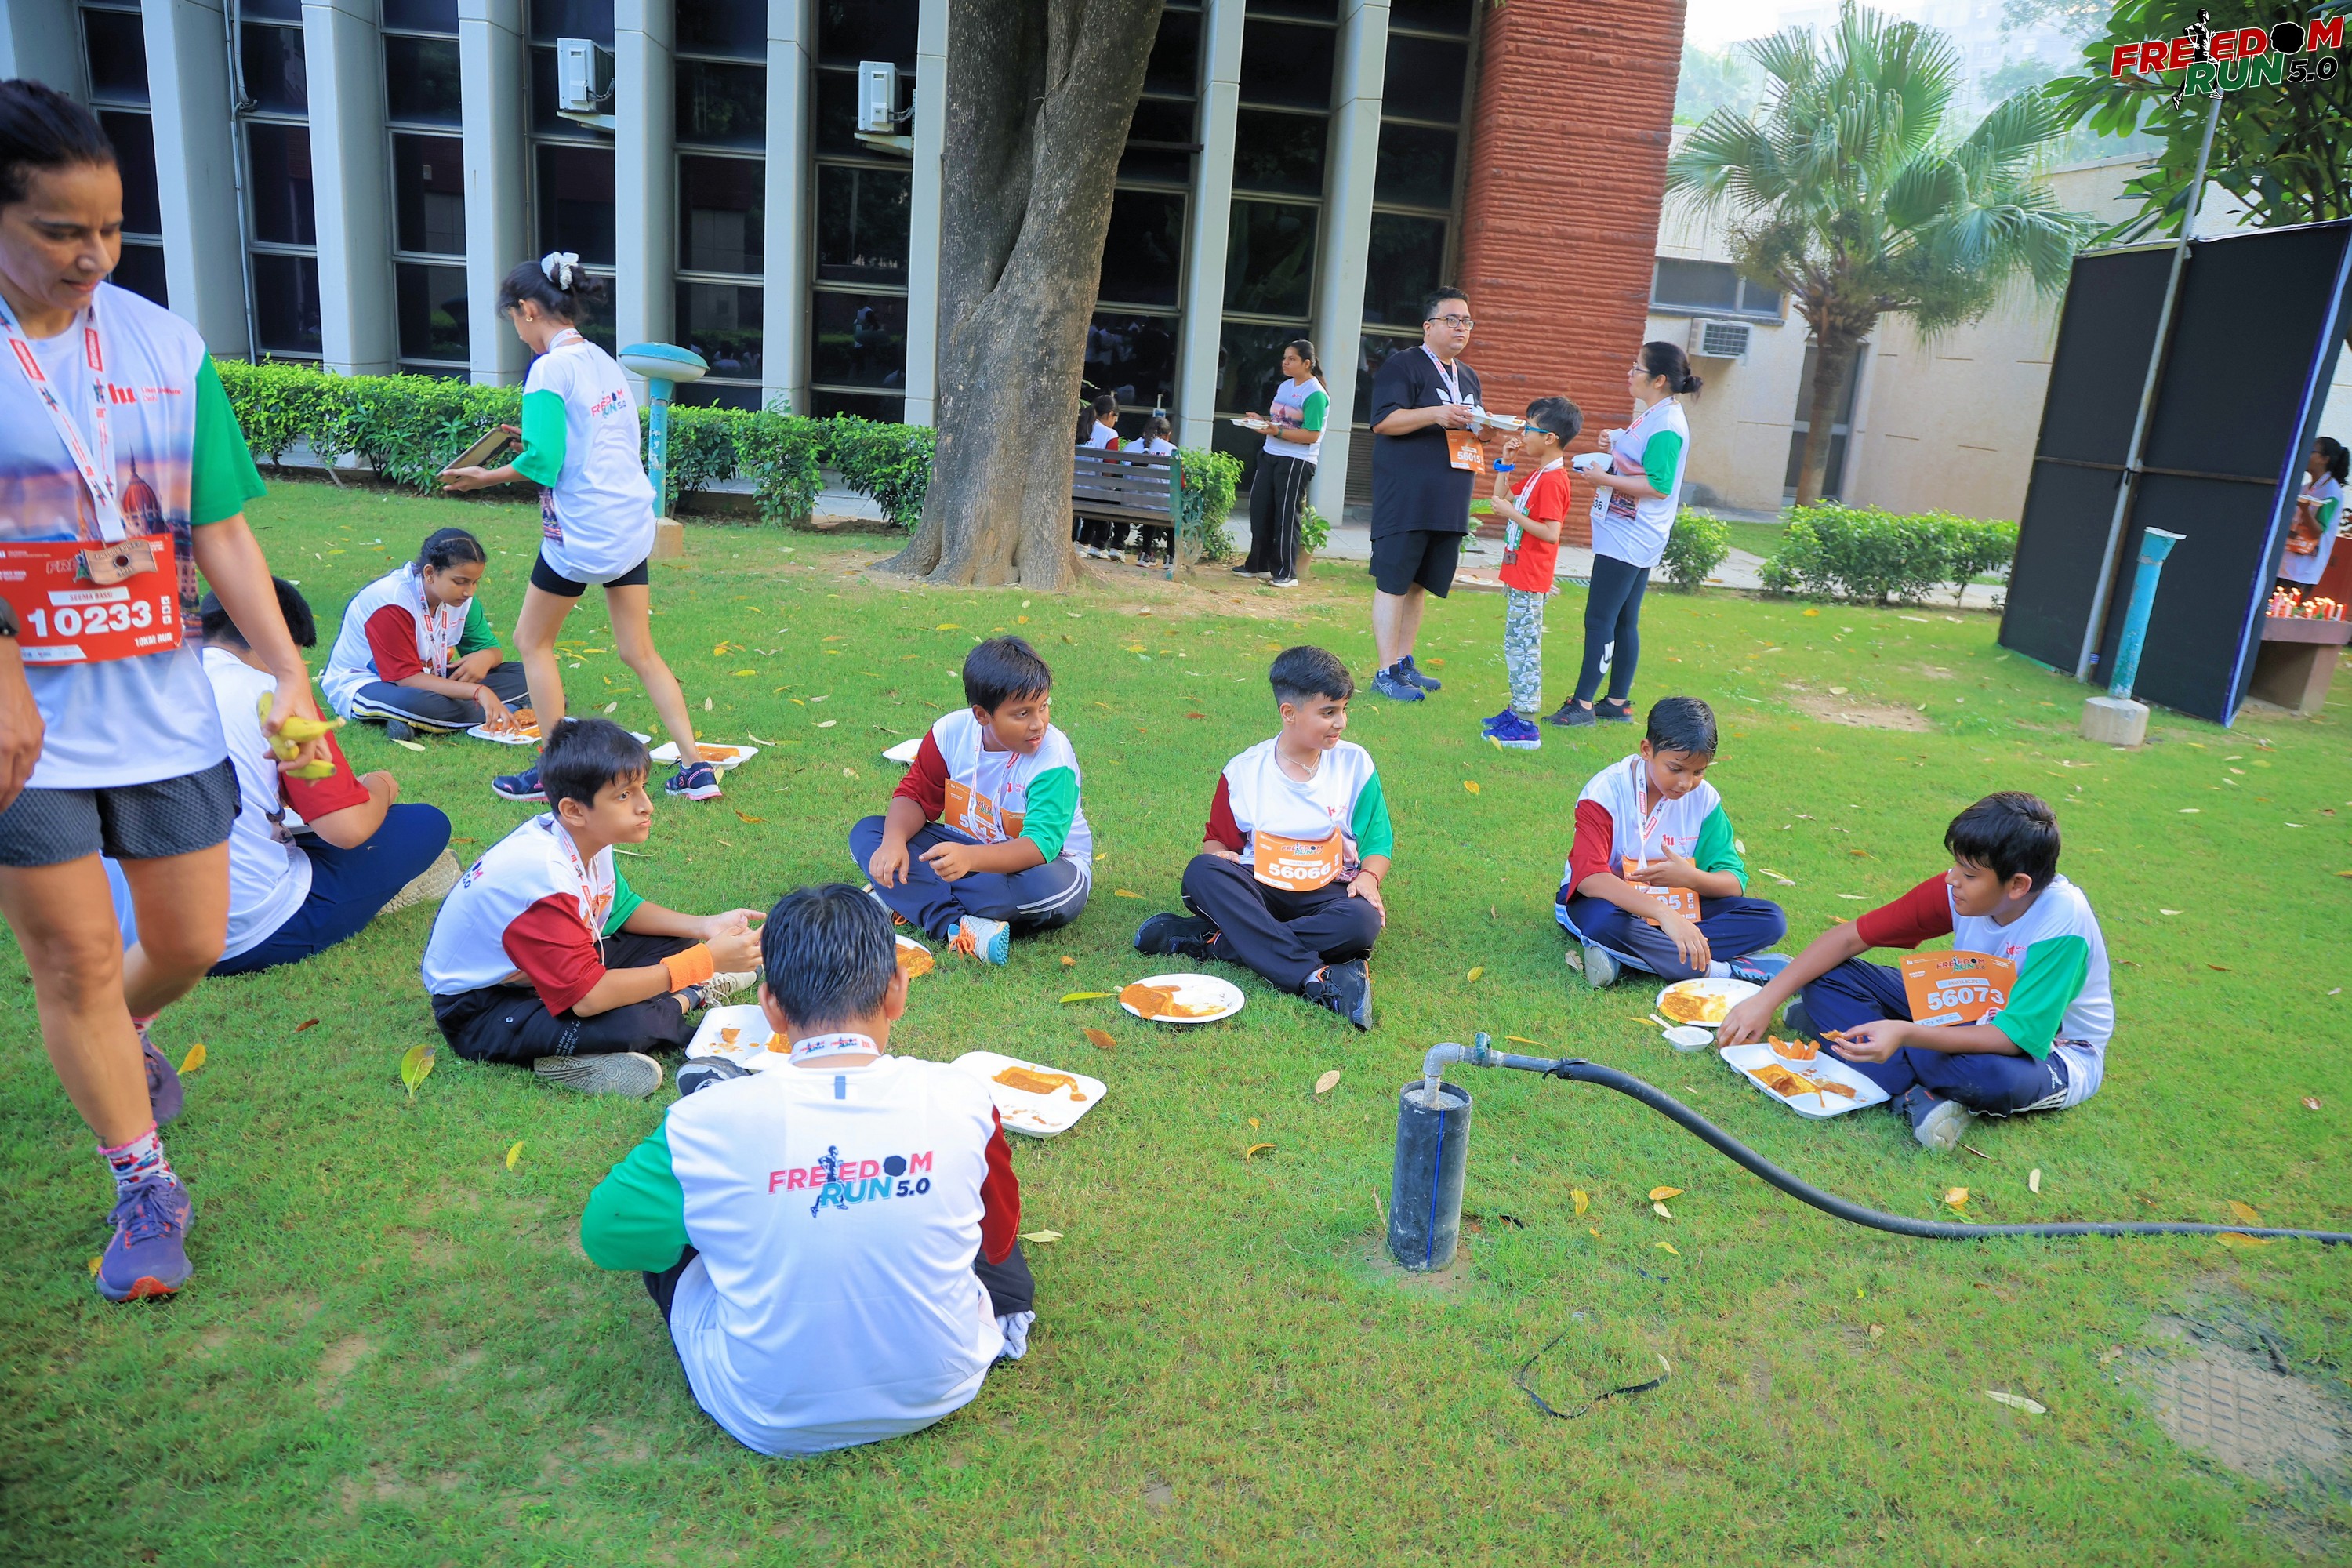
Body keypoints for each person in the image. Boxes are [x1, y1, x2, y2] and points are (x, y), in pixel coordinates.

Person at [0, 81, 328, 1301]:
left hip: (161, 705)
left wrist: (287, 672)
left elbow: (222, 530)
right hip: (27, 727)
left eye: (110, 228)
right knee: (73, 959)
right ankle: (143, 1182)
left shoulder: (161, 345)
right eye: (59, 231)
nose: (93, 256)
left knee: (186, 942)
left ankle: (127, 1033)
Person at [579, 884, 1034, 1457]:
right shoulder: (961, 1096)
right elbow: (997, 1238)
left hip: (766, 1414)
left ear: (770, 1006)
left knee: (679, 1224)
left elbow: (609, 1237)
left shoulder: (701, 1127)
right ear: (898, 988)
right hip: (943, 1386)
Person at [438, 255, 721, 804]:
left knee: (532, 641)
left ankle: (553, 771)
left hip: (582, 532)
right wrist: (536, 437)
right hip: (629, 525)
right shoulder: (600, 359)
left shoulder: (548, 369)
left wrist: (485, 476)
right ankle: (696, 767)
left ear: (527, 310)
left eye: (514, 320)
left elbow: (543, 462)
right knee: (639, 650)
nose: (519, 333)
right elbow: (596, 436)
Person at [1716, 793, 2111, 1155]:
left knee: (1990, 1077)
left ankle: (1869, 1055)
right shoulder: (1955, 890)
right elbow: (1849, 939)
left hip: (2050, 1051)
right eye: (1956, 864)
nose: (1952, 879)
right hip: (1964, 1010)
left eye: (1969, 874)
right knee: (1825, 976)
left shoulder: (2062, 924)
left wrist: (1905, 1033)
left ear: (2018, 885)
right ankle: (1898, 1069)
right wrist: (1765, 999)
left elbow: (2011, 1038)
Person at [108, 579, 456, 976]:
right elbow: (347, 829)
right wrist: (381, 786)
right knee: (425, 822)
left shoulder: (134, 685)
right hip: (243, 936)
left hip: (130, 927)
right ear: (279, 642)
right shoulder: (275, 694)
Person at [419, 718, 764, 1098]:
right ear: (574, 809)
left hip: (537, 976)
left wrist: (707, 927)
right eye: (624, 795)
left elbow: (622, 910)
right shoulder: (541, 880)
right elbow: (589, 999)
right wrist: (705, 962)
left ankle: (679, 993)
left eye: (642, 788)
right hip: (481, 1008)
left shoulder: (581, 836)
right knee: (632, 1022)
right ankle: (689, 995)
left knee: (680, 943)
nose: (646, 805)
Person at [1133, 645, 1387, 1030]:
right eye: (1328, 712)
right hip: (1260, 889)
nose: (1341, 723)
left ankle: (1217, 942)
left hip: (1330, 891)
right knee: (1202, 872)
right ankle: (1316, 977)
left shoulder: (1355, 763)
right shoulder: (1244, 771)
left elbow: (1377, 841)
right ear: (1289, 713)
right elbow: (1217, 842)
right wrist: (1219, 856)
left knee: (1361, 922)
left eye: (1344, 710)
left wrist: (1369, 876)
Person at [852, 636, 1091, 965]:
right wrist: (893, 843)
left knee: (1045, 888)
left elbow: (1040, 846)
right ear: (982, 715)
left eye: (1043, 706)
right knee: (870, 833)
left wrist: (969, 858)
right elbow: (915, 796)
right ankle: (957, 925)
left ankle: (903, 897)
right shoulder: (950, 732)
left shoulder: (1054, 758)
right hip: (966, 857)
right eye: (1022, 713)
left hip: (1046, 867)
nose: (1038, 724)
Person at [1555, 696, 1788, 990]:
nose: (1686, 783)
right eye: (1676, 769)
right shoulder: (1605, 791)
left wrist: (1690, 878)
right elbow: (1590, 879)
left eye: (1698, 772)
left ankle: (1626, 959)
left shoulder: (1705, 799)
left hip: (1681, 901)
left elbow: (1733, 882)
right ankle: (1723, 972)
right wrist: (1664, 915)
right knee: (1604, 925)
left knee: (1769, 920)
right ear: (1647, 750)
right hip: (1612, 903)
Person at [1551, 342, 1699, 728]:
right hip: (1632, 531)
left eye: (1637, 368)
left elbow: (1658, 485)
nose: (1629, 374)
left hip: (1630, 534)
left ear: (1659, 379)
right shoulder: (1657, 414)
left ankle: (1582, 706)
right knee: (1622, 619)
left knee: (1600, 618)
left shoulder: (1666, 424)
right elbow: (1644, 460)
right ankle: (1617, 703)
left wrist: (1604, 478)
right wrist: (1616, 442)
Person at [1367, 288, 1486, 702]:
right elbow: (1383, 421)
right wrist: (1436, 413)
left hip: (1449, 499)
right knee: (1394, 583)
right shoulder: (1403, 365)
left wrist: (1488, 429)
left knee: (1420, 584)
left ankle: (1404, 662)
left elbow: (1473, 429)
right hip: (1406, 498)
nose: (1460, 328)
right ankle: (1385, 672)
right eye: (1451, 319)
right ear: (1428, 326)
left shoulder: (1467, 375)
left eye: (1466, 321)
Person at [321, 525, 530, 739]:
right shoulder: (392, 601)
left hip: (431, 677)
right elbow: (406, 679)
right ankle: (504, 709)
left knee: (526, 674)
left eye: (475, 582)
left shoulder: (463, 600)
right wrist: (478, 692)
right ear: (430, 573)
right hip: (372, 683)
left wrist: (486, 657)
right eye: (460, 582)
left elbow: (491, 650)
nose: (469, 591)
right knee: (419, 703)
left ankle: (419, 721)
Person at [1480, 396, 1583, 750]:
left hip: (1531, 576)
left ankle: (1526, 726)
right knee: (1516, 645)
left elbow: (1551, 533)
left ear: (1550, 437)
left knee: (1525, 650)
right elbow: (1502, 499)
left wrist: (1512, 514)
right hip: (1519, 574)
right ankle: (1516, 711)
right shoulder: (1540, 474)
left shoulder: (1554, 480)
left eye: (1529, 429)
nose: (1523, 434)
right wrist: (1506, 464)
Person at [1234, 339, 1326, 589]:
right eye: (1285, 358)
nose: (1285, 363)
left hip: (1297, 460)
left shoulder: (1315, 394)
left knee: (1286, 515)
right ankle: (1258, 565)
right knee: (1260, 509)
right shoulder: (1285, 386)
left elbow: (1312, 434)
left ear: (1307, 363)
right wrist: (1262, 421)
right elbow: (1281, 421)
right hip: (1270, 453)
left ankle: (1286, 572)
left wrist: (1277, 432)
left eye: (1292, 359)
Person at [2278, 435, 2347, 593]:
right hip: (2284, 562)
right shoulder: (2305, 487)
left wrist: (2304, 509)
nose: (2305, 455)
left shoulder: (2332, 492)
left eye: (2311, 451)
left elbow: (2318, 531)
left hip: (2302, 571)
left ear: (2324, 459)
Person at [1075, 394, 1127, 561]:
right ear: (1111, 414)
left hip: (1072, 490)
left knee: (1098, 493)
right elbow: (1108, 470)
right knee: (1109, 494)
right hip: (1095, 493)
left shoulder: (1077, 426)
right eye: (1115, 418)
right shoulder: (1109, 434)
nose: (1115, 422)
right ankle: (1098, 545)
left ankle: (1083, 543)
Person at [1131, 411, 1178, 567]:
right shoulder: (1172, 450)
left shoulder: (1131, 446)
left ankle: (1144, 553)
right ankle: (1171, 557)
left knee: (1149, 500)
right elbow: (1180, 483)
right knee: (1170, 505)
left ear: (1145, 431)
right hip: (1161, 505)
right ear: (1168, 435)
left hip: (1130, 504)